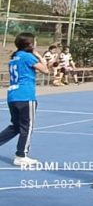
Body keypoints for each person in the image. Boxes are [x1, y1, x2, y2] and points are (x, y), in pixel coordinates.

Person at [0, 33, 49, 167]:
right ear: (30, 44)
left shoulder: (15, 57)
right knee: (27, 126)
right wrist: (38, 55)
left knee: (16, 126)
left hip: (13, 95)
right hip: (25, 95)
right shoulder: (28, 57)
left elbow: (34, 70)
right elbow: (45, 70)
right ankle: (21, 155)